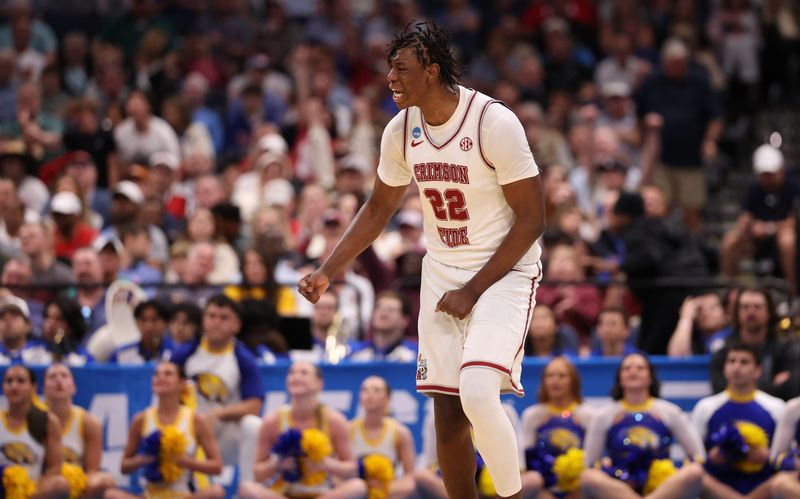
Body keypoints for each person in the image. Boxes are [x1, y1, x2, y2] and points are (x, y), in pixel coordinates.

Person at [299, 20, 545, 499]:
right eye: (389, 67)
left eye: (401, 68)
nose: (390, 78)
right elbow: (377, 209)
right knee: (447, 410)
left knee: (477, 393)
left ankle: (513, 494)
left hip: (503, 270)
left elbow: (533, 220)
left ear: (432, 71)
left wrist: (473, 290)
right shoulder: (401, 130)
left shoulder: (492, 122)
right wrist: (328, 270)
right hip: (443, 270)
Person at [580, 353, 705, 499]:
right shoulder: (604, 415)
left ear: (650, 377)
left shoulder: (670, 411)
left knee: (695, 471)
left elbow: (698, 455)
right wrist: (612, 471)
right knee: (588, 477)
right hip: (619, 486)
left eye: (640, 368)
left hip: (661, 487)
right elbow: (589, 462)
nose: (633, 372)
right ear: (619, 378)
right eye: (627, 368)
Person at [238, 361, 366, 498]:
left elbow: (352, 470)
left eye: (304, 373)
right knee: (246, 488)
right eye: (292, 373)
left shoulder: (335, 421)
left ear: (319, 384)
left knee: (358, 487)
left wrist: (326, 464)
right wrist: (277, 464)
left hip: (322, 493)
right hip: (283, 494)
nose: (296, 377)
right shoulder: (272, 421)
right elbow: (257, 474)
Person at [171, 294, 264, 482]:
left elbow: (254, 406)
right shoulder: (185, 353)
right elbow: (164, 389)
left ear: (236, 325)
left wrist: (218, 414)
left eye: (223, 318)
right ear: (203, 320)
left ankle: (248, 489)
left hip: (225, 434)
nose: (216, 322)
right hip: (189, 433)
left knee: (253, 426)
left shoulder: (243, 358)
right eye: (211, 316)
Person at [106, 361, 225, 499]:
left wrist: (183, 461)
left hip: (184, 496)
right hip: (150, 495)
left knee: (216, 491)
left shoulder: (195, 420)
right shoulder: (141, 419)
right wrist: (145, 458)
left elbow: (217, 466)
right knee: (111, 495)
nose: (160, 377)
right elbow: (124, 466)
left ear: (181, 384)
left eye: (168, 374)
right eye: (156, 374)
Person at [691, 342, 784, 496]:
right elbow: (693, 458)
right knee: (694, 474)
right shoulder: (706, 407)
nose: (737, 367)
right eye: (731, 361)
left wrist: (768, 456)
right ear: (724, 369)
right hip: (717, 489)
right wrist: (712, 458)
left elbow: (787, 457)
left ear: (758, 371)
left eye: (744, 362)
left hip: (764, 489)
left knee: (785, 479)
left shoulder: (776, 407)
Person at [520, 356, 592, 498]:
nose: (555, 380)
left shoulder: (588, 414)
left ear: (573, 381)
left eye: (562, 376)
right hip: (543, 489)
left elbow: (592, 459)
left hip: (578, 489)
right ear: (543, 381)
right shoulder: (532, 415)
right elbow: (525, 461)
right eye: (550, 375)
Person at [42, 363, 115, 498]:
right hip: (44, 487)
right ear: (44, 388)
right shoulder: (35, 419)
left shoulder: (89, 422)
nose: (59, 380)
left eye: (64, 376)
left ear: (74, 387)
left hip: (77, 489)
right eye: (52, 377)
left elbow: (92, 471)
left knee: (104, 481)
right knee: (58, 485)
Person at [0, 365, 70, 498]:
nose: (14, 386)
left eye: (20, 381)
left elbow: (55, 468)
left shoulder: (48, 421)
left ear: (33, 387)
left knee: (59, 484)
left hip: (34, 492)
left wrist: (29, 492)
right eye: (9, 381)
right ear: (3, 387)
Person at [349, 376, 416, 498]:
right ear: (359, 397)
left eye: (376, 390)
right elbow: (338, 475)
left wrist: (384, 489)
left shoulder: (401, 433)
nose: (370, 394)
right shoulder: (349, 430)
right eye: (365, 390)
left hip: (389, 492)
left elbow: (409, 478)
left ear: (387, 398)